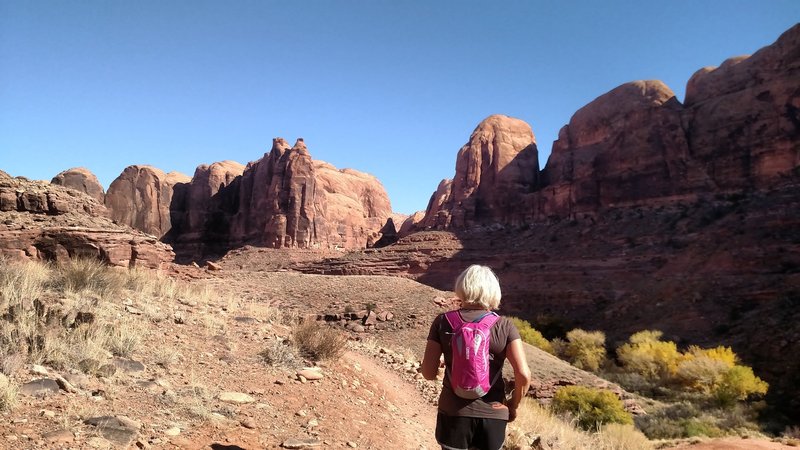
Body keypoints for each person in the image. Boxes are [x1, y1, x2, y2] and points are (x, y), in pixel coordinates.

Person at [422, 265, 531, 450]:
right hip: (493, 415)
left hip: (453, 413)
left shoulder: (443, 322)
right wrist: (513, 405)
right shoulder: (505, 326)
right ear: (493, 291)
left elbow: (428, 373)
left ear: (461, 287)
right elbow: (523, 374)